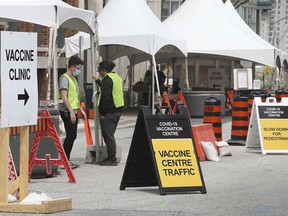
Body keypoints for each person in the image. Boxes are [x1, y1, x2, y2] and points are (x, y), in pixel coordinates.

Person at [93, 61, 124, 166]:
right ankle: (111, 156)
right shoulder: (117, 77)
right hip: (118, 110)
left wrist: (102, 113)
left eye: (100, 71)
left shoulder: (107, 80)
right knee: (110, 134)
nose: (99, 73)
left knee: (108, 136)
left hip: (109, 112)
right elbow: (108, 88)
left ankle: (112, 158)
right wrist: (98, 81)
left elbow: (105, 97)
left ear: (104, 70)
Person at [58, 55, 87, 169]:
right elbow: (64, 97)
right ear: (72, 66)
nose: (79, 70)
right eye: (78, 68)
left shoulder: (73, 79)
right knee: (71, 135)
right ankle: (64, 161)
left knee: (72, 135)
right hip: (67, 110)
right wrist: (71, 112)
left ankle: (65, 159)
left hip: (73, 110)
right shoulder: (64, 78)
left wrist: (80, 110)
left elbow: (75, 96)